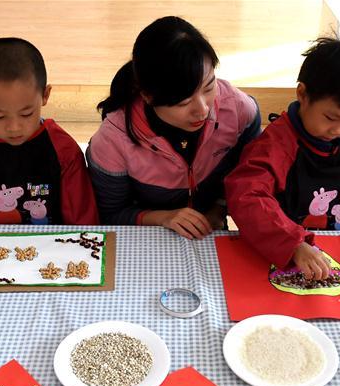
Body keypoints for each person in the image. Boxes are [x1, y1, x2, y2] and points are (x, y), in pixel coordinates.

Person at [226, 37, 340, 278]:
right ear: (302, 94)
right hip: (281, 259)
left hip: (337, 260)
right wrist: (293, 243)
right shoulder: (275, 146)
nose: (339, 130)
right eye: (331, 118)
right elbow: (246, 196)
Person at [87, 16, 260, 239]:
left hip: (209, 233)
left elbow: (248, 177)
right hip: (144, 238)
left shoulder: (239, 111)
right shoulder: (113, 140)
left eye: (209, 87)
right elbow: (110, 215)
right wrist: (163, 217)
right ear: (148, 96)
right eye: (183, 102)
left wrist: (218, 209)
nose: (203, 110)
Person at [0, 37, 98, 225]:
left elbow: (83, 220)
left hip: (56, 248)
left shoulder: (64, 150)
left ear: (45, 95)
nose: (14, 127)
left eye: (27, 113)